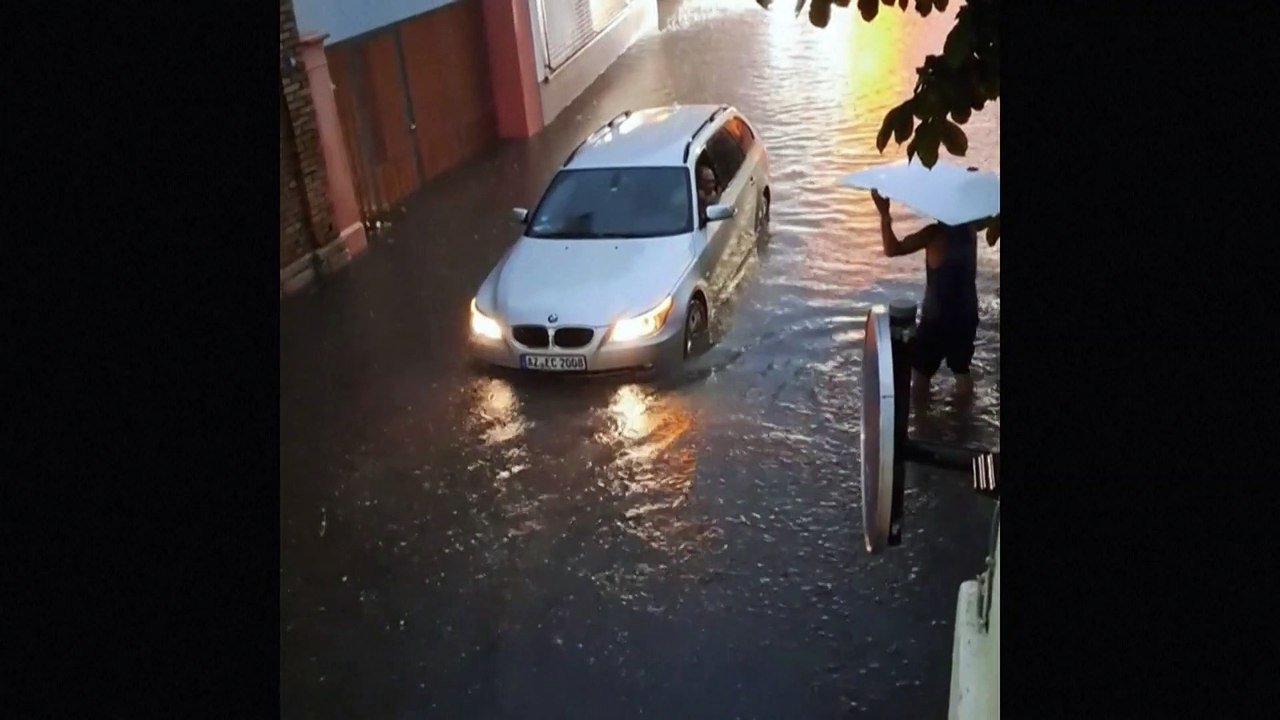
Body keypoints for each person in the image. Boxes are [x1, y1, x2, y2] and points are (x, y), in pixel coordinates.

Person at [872, 190, 997, 402]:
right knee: (961, 370)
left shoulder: (934, 234)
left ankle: (921, 422)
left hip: (937, 317)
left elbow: (891, 249)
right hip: (967, 313)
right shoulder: (970, 230)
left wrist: (885, 214)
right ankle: (963, 422)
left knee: (920, 374)